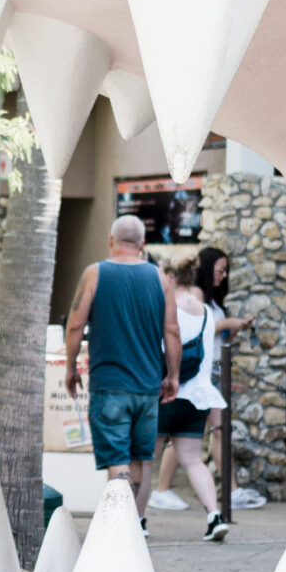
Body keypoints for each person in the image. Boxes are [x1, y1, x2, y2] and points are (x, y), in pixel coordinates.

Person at [64, 214, 180, 521]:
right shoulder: (160, 278)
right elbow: (172, 332)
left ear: (110, 240)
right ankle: (128, 521)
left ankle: (119, 525)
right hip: (147, 386)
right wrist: (173, 376)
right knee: (138, 457)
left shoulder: (95, 273)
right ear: (142, 244)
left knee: (117, 460)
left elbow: (76, 325)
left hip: (110, 383)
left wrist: (70, 368)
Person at [152, 261, 230, 541]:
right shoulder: (207, 312)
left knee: (145, 460)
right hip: (198, 397)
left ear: (171, 277)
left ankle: (138, 522)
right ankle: (214, 517)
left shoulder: (167, 306)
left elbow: (162, 344)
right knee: (194, 461)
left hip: (167, 393)